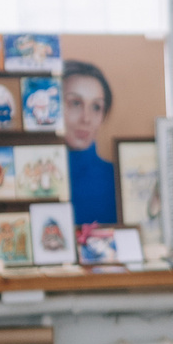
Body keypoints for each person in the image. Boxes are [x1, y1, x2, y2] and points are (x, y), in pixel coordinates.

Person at [61, 62, 120, 225]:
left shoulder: (117, 180)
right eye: (75, 103)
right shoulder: (31, 176)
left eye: (96, 107)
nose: (86, 118)